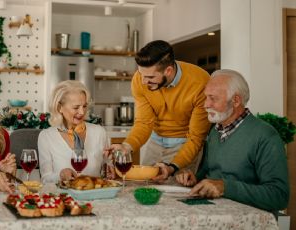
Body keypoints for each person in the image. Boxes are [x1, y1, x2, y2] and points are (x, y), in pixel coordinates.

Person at [175, 69, 289, 212]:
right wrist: (193, 180)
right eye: (206, 97)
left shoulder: (265, 135)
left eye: (213, 98)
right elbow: (207, 175)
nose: (206, 105)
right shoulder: (215, 131)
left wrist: (225, 187)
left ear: (235, 100)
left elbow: (279, 196)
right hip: (213, 215)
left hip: (248, 221)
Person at [106, 40, 211, 182]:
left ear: (168, 70)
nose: (143, 81)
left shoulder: (200, 82)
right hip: (155, 142)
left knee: (175, 193)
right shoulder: (140, 79)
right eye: (141, 74)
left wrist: (172, 166)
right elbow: (143, 122)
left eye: (150, 77)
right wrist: (126, 147)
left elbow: (196, 138)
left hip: (185, 145)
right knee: (144, 186)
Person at [38, 80, 112, 183]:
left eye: (85, 106)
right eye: (76, 107)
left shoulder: (99, 132)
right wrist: (60, 175)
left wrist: (111, 167)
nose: (82, 112)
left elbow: (108, 168)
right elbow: (45, 178)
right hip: (63, 197)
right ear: (60, 108)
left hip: (94, 195)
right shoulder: (46, 137)